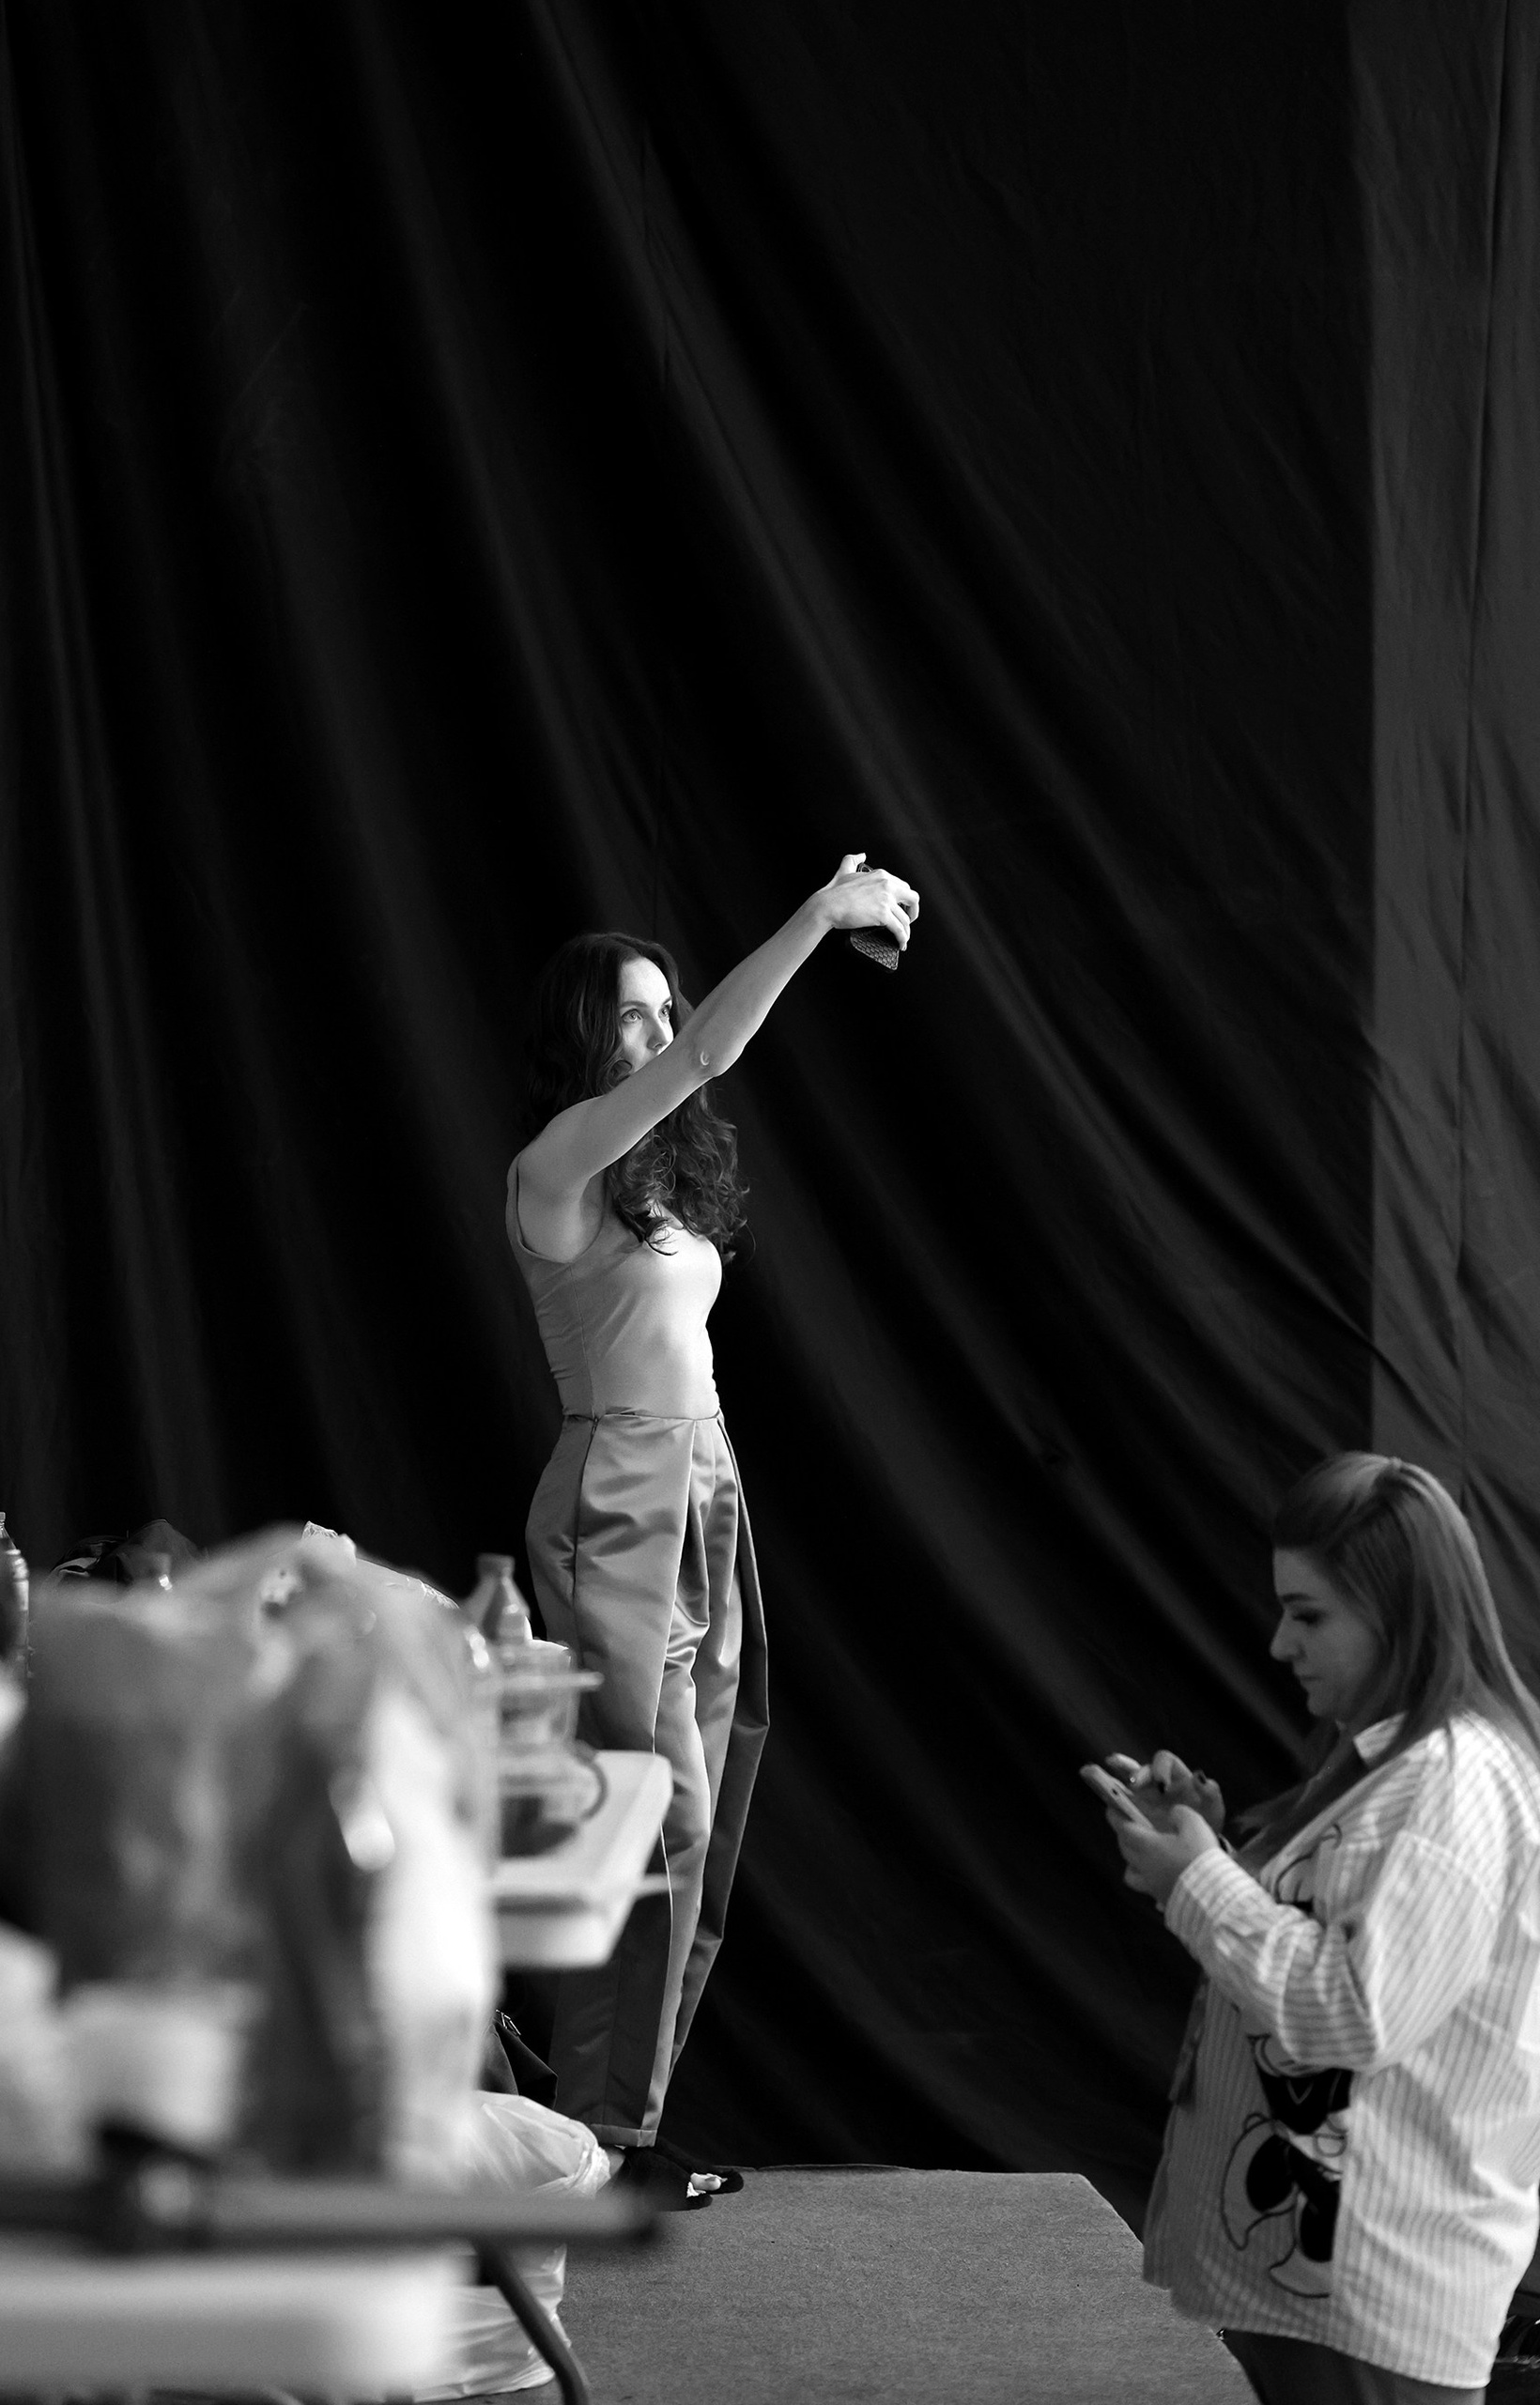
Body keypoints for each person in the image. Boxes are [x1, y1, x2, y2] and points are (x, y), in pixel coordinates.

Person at [507, 852, 918, 2201]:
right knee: (649, 1813)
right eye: (629, 1015)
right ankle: (600, 2130)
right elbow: (706, 1055)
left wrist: (713, 1477)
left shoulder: (653, 1192)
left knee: (709, 1805)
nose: (658, 1031)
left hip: (704, 1477)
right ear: (584, 1037)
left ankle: (623, 2120)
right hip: (617, 1489)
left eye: (662, 1007)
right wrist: (819, 915)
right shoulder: (556, 1168)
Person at [1095, 1453, 1540, 2404]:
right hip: (1330, 2280)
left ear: (1398, 1614)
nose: (1279, 1643)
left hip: (1376, 2292)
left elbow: (1354, 2013)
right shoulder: (1402, 1764)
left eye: (1308, 1615)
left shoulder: (1452, 1781)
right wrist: (1207, 1851)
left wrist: (1198, 1879)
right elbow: (1345, 1948)